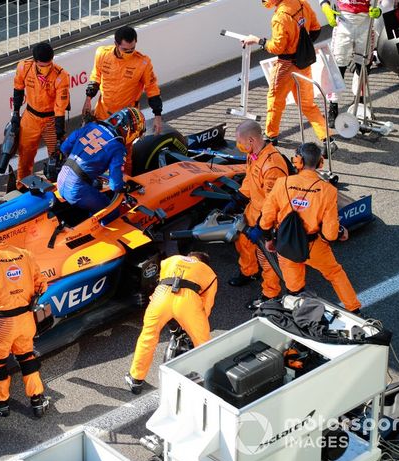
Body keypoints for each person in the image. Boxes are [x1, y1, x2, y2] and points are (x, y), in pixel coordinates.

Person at [259, 142, 361, 312]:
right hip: (315, 246)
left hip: (287, 245)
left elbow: (265, 219)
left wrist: (270, 240)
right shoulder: (328, 191)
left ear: (298, 161)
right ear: (320, 162)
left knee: (294, 290)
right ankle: (354, 310)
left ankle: (302, 319)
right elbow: (330, 233)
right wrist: (341, 231)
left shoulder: (281, 183)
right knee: (335, 273)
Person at [0, 216, 49, 418]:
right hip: (25, 319)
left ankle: (2, 405)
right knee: (27, 358)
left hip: (0, 324)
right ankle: (37, 401)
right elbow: (42, 284)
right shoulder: (23, 254)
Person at [241, 0, 331, 150]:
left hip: (285, 66)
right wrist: (302, 48)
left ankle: (271, 136)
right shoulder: (302, 3)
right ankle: (327, 137)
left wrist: (257, 40)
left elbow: (277, 47)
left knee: (275, 101)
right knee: (308, 105)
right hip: (304, 63)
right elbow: (316, 29)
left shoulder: (280, 17)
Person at [126, 252, 217, 395]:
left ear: (189, 256)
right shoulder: (209, 272)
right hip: (188, 301)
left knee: (148, 337)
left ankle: (136, 379)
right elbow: (207, 304)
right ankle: (208, 380)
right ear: (204, 262)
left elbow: (159, 281)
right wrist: (194, 324)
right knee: (203, 343)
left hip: (162, 295)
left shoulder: (171, 259)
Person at [226, 120, 290, 310]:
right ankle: (249, 272)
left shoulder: (272, 166)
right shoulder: (253, 155)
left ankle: (269, 294)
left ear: (251, 140)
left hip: (268, 217)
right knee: (243, 243)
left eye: (240, 142)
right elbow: (249, 180)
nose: (238, 146)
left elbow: (273, 202)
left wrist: (263, 227)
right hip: (253, 210)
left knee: (267, 257)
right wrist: (238, 199)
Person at [82, 26, 162, 175]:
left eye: (132, 49)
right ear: (116, 44)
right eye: (126, 50)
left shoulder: (143, 63)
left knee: (124, 158)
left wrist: (157, 116)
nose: (130, 53)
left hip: (126, 120)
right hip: (102, 114)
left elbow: (152, 89)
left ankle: (126, 188)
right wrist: (88, 99)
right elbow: (95, 77)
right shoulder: (102, 53)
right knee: (97, 151)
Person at [56, 107, 145, 219]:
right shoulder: (118, 148)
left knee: (96, 186)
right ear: (129, 130)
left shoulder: (91, 126)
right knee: (111, 212)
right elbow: (115, 185)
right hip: (77, 189)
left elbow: (65, 147)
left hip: (61, 179)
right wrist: (126, 188)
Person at [10, 42, 70, 188]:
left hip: (51, 120)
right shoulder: (24, 67)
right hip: (30, 117)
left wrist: (59, 132)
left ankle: (58, 191)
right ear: (35, 61)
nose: (46, 68)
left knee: (57, 158)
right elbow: (18, 89)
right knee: (25, 156)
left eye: (49, 64)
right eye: (43, 65)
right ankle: (22, 187)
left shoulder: (61, 76)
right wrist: (15, 114)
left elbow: (60, 108)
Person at [319, 0, 382, 125]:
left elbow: (381, 3)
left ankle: (359, 101)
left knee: (363, 65)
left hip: (366, 21)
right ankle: (333, 106)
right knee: (337, 65)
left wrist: (379, 10)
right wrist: (325, 6)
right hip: (343, 20)